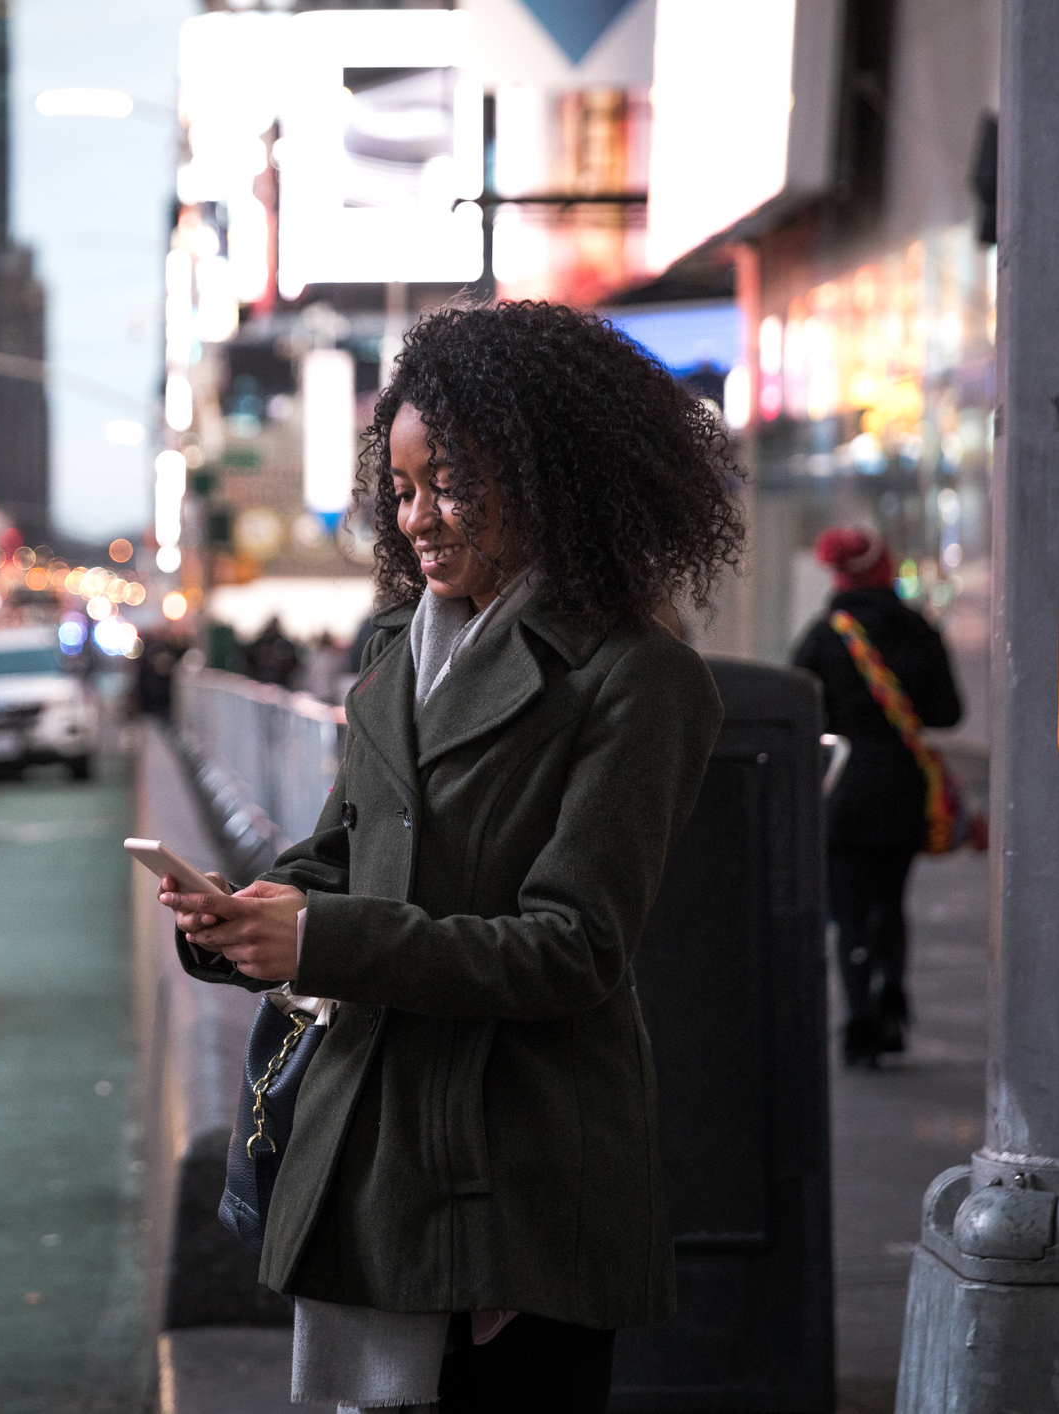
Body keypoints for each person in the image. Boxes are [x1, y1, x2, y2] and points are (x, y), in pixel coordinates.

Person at [156, 301, 743, 1413]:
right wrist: (242, 919)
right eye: (407, 485)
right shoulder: (392, 646)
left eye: (454, 483)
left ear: (551, 475)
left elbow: (574, 950)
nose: (419, 516)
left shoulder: (638, 678)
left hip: (519, 1180)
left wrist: (322, 938)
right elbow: (341, 853)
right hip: (367, 1154)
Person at [792, 526, 962, 1066]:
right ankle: (893, 1004)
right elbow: (947, 713)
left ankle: (858, 1018)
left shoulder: (823, 635)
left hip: (842, 786)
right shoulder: (917, 629)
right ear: (886, 569)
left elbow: (799, 713)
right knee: (891, 898)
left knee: (848, 906)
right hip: (903, 785)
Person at [243, 616, 303, 688]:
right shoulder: (261, 641)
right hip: (259, 681)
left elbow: (293, 664)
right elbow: (250, 657)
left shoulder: (284, 643)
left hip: (278, 683)